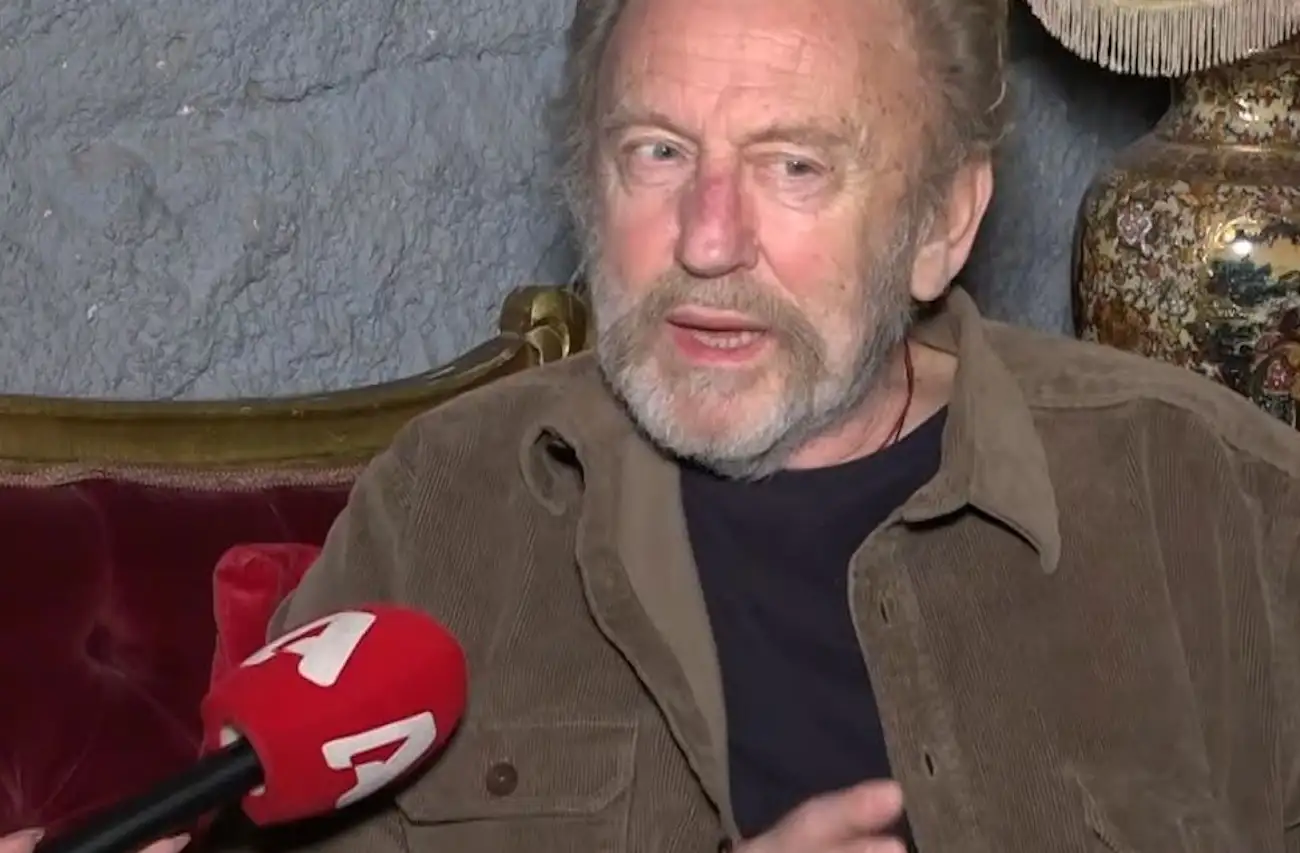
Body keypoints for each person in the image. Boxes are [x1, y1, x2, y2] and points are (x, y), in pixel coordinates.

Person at [10, 0, 1300, 848]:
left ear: (944, 223)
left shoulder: (1215, 502)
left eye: (795, 165)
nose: (708, 239)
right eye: (659, 153)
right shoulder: (451, 508)